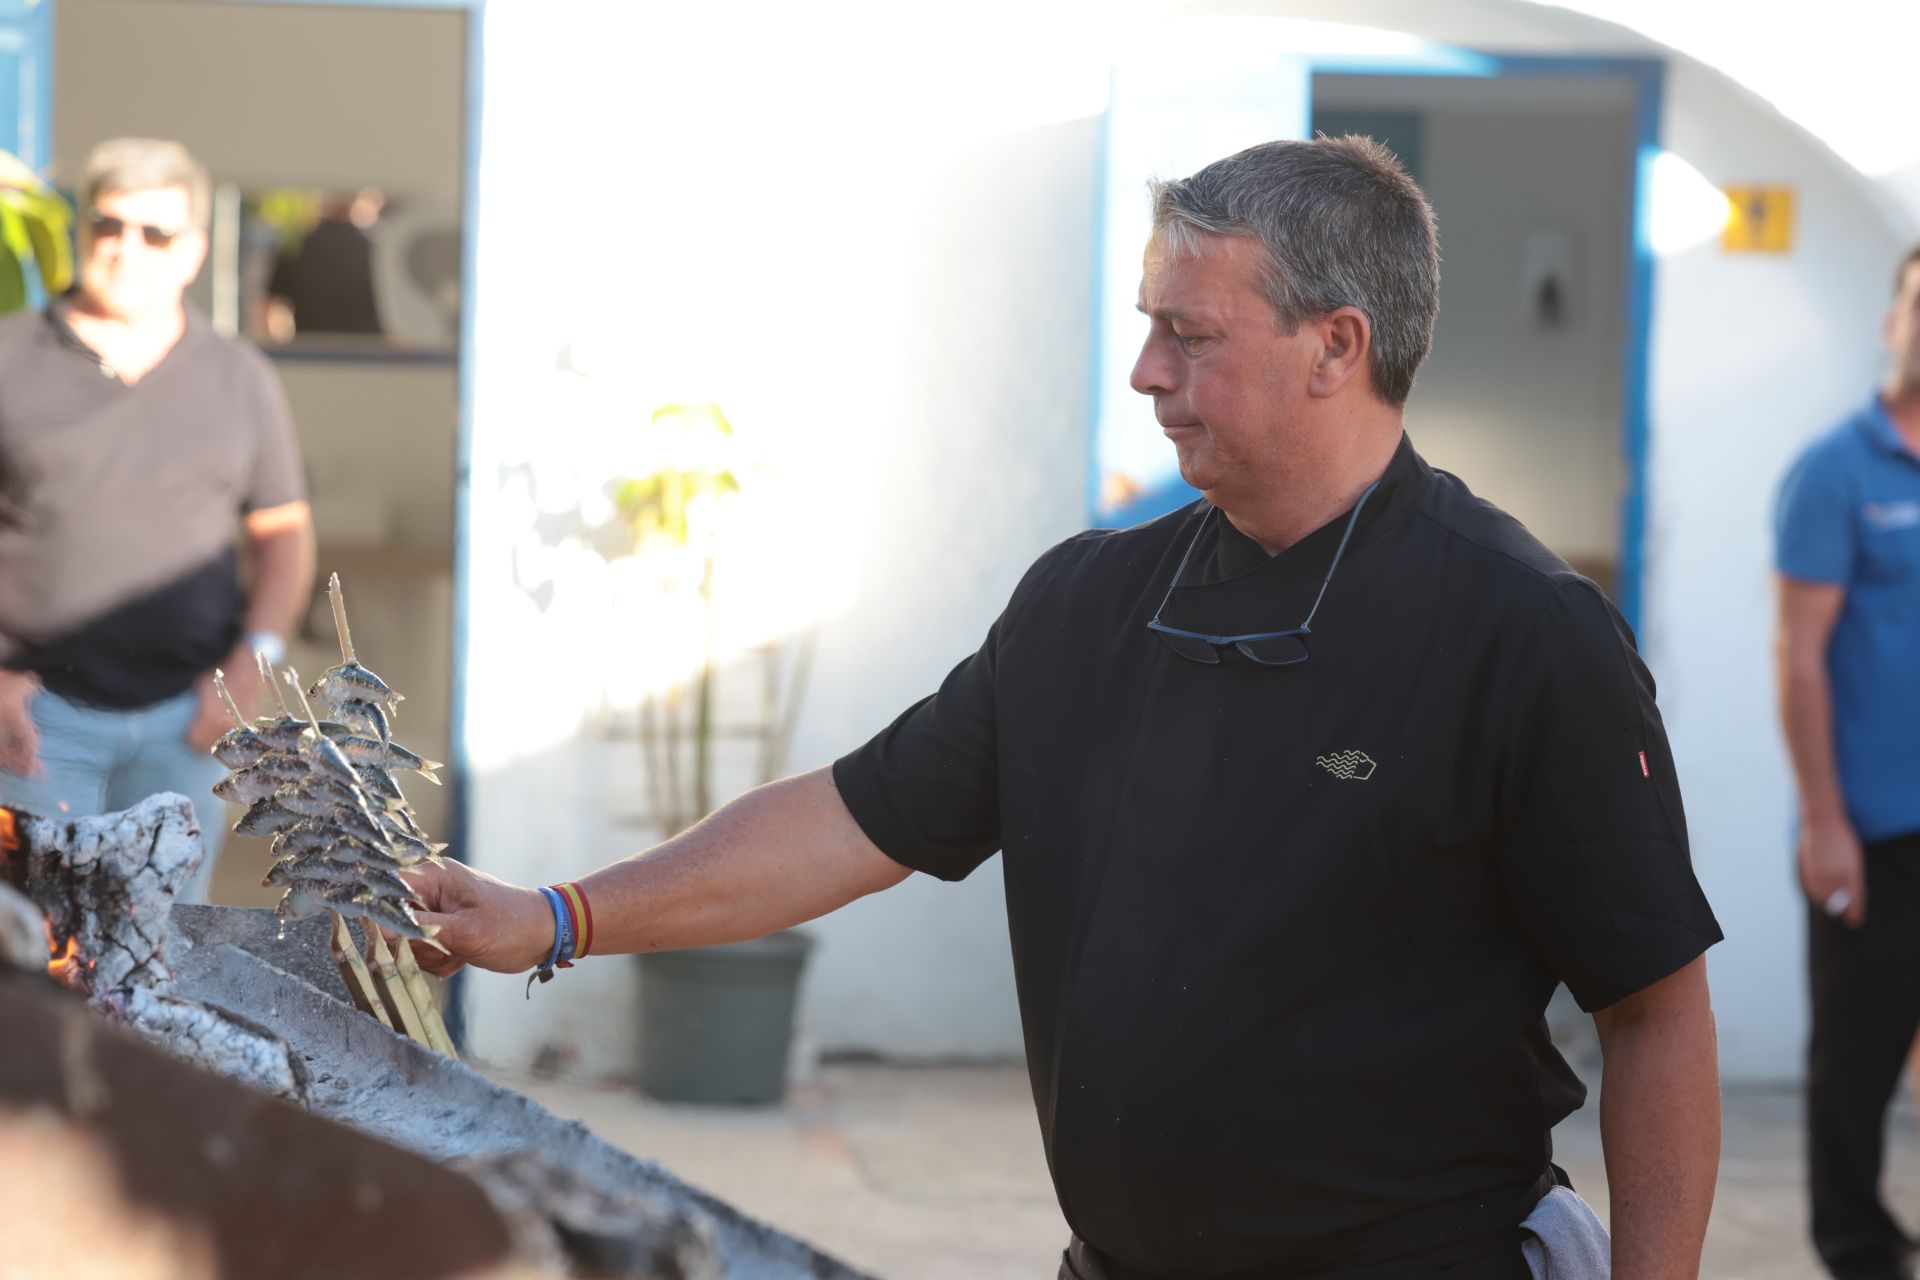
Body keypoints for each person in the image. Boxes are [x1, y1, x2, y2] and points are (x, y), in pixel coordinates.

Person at [407, 137, 1722, 1278]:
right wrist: (557, 918)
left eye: (1189, 335)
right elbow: (851, 821)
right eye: (1148, 324)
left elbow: (1653, 1010)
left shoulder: (1523, 631)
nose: (1147, 371)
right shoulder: (1090, 603)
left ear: (1337, 348)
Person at [0, 137, 315, 902]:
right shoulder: (10, 358)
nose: (125, 248)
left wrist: (253, 664)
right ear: (82, 232)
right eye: (107, 225)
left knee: (163, 957)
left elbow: (285, 536)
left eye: (155, 233)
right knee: (35, 961)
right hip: (37, 727)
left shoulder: (238, 377)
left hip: (186, 724)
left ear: (194, 251)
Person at [1775, 242, 1920, 1280]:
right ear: (1892, 321)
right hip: (1872, 827)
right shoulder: (1836, 468)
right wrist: (1824, 821)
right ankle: (1859, 1250)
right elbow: (1802, 656)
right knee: (1856, 1061)